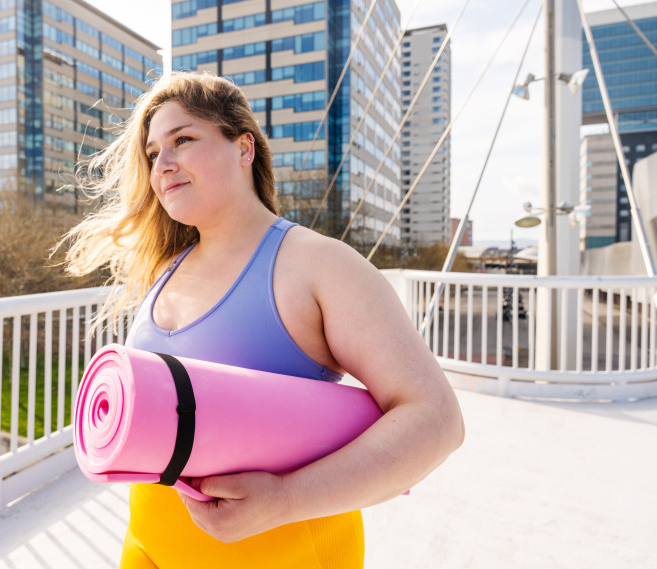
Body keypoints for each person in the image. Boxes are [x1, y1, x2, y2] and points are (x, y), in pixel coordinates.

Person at [62, 71, 464, 569]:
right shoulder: (166, 269)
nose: (162, 165)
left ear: (244, 148)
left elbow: (437, 421)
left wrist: (286, 498)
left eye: (182, 140)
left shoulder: (320, 265)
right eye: (151, 154)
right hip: (148, 544)